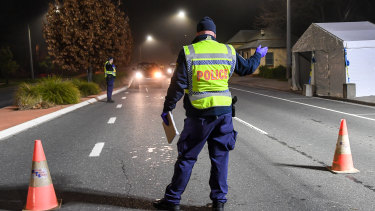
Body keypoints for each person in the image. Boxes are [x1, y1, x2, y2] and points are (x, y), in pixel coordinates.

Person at [153, 17, 268, 211]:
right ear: (214, 34)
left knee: (187, 158)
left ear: (198, 33)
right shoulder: (228, 50)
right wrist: (257, 55)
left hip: (199, 116)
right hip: (224, 116)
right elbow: (247, 68)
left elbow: (178, 85)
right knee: (220, 157)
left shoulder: (188, 52)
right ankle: (219, 203)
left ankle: (172, 201)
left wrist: (168, 108)